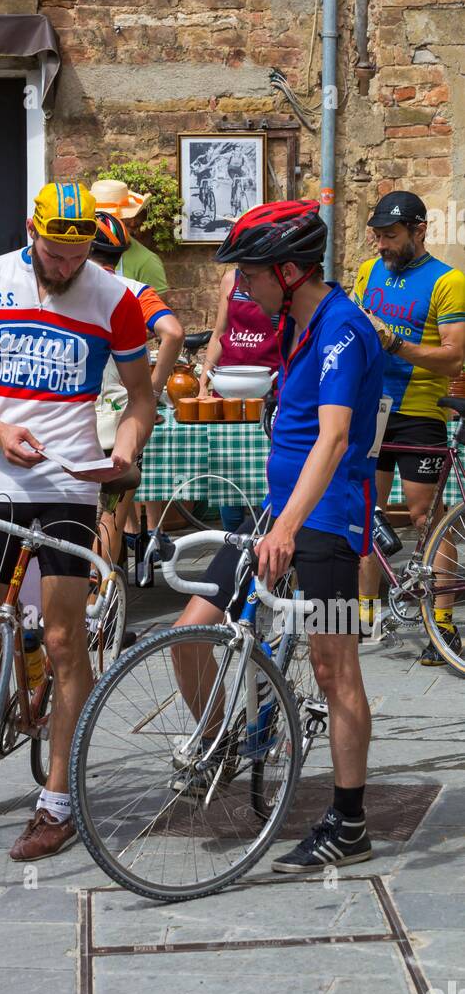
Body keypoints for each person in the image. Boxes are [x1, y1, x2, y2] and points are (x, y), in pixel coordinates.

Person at [0, 180, 156, 861]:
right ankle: (13, 689)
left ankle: (56, 801)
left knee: (66, 642)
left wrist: (121, 452)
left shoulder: (114, 299)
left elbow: (140, 398)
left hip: (69, 485)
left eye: (77, 254)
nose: (64, 267)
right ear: (30, 234)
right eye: (53, 253)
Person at [170, 199, 385, 873]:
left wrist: (289, 526)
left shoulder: (342, 329)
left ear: (289, 270)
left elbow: (336, 436)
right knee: (190, 626)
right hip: (278, 510)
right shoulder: (296, 325)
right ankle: (221, 743)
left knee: (333, 665)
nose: (243, 289)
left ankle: (349, 824)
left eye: (252, 275)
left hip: (326, 523)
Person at [352, 191, 465, 664]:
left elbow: (454, 355)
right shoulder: (368, 270)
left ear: (419, 231)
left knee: (427, 518)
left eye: (391, 235)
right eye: (377, 234)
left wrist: (396, 345)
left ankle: (440, 625)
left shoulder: (448, 281)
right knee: (364, 514)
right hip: (370, 406)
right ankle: (361, 618)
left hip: (418, 410)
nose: (381, 244)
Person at [90, 211, 184, 564]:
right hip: (120, 420)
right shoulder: (133, 291)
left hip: (71, 418)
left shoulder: (67, 289)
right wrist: (152, 391)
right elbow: (173, 332)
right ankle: (102, 604)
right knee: (111, 518)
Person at [199, 264, 281, 529]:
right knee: (227, 466)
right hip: (229, 383)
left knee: (268, 466)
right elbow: (220, 331)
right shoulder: (230, 280)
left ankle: (266, 536)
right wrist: (205, 378)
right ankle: (232, 541)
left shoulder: (278, 279)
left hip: (269, 384)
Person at [88, 179, 169, 293]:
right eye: (95, 217)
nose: (100, 223)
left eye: (105, 218)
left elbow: (156, 308)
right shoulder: (74, 253)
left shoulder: (147, 262)